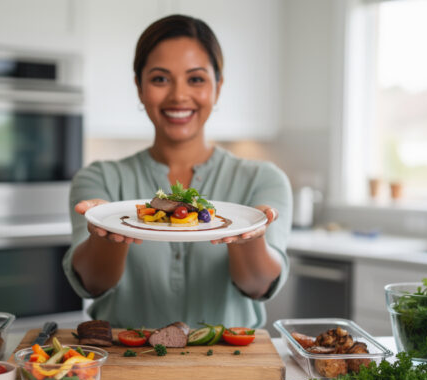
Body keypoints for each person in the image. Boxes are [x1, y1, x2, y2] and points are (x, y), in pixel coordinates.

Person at [62, 14, 292, 329]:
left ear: (218, 87)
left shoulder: (263, 180)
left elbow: (258, 286)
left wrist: (248, 237)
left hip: (229, 365)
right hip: (124, 363)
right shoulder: (99, 179)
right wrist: (108, 233)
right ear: (139, 88)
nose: (179, 96)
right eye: (160, 79)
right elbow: (93, 284)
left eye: (195, 79)